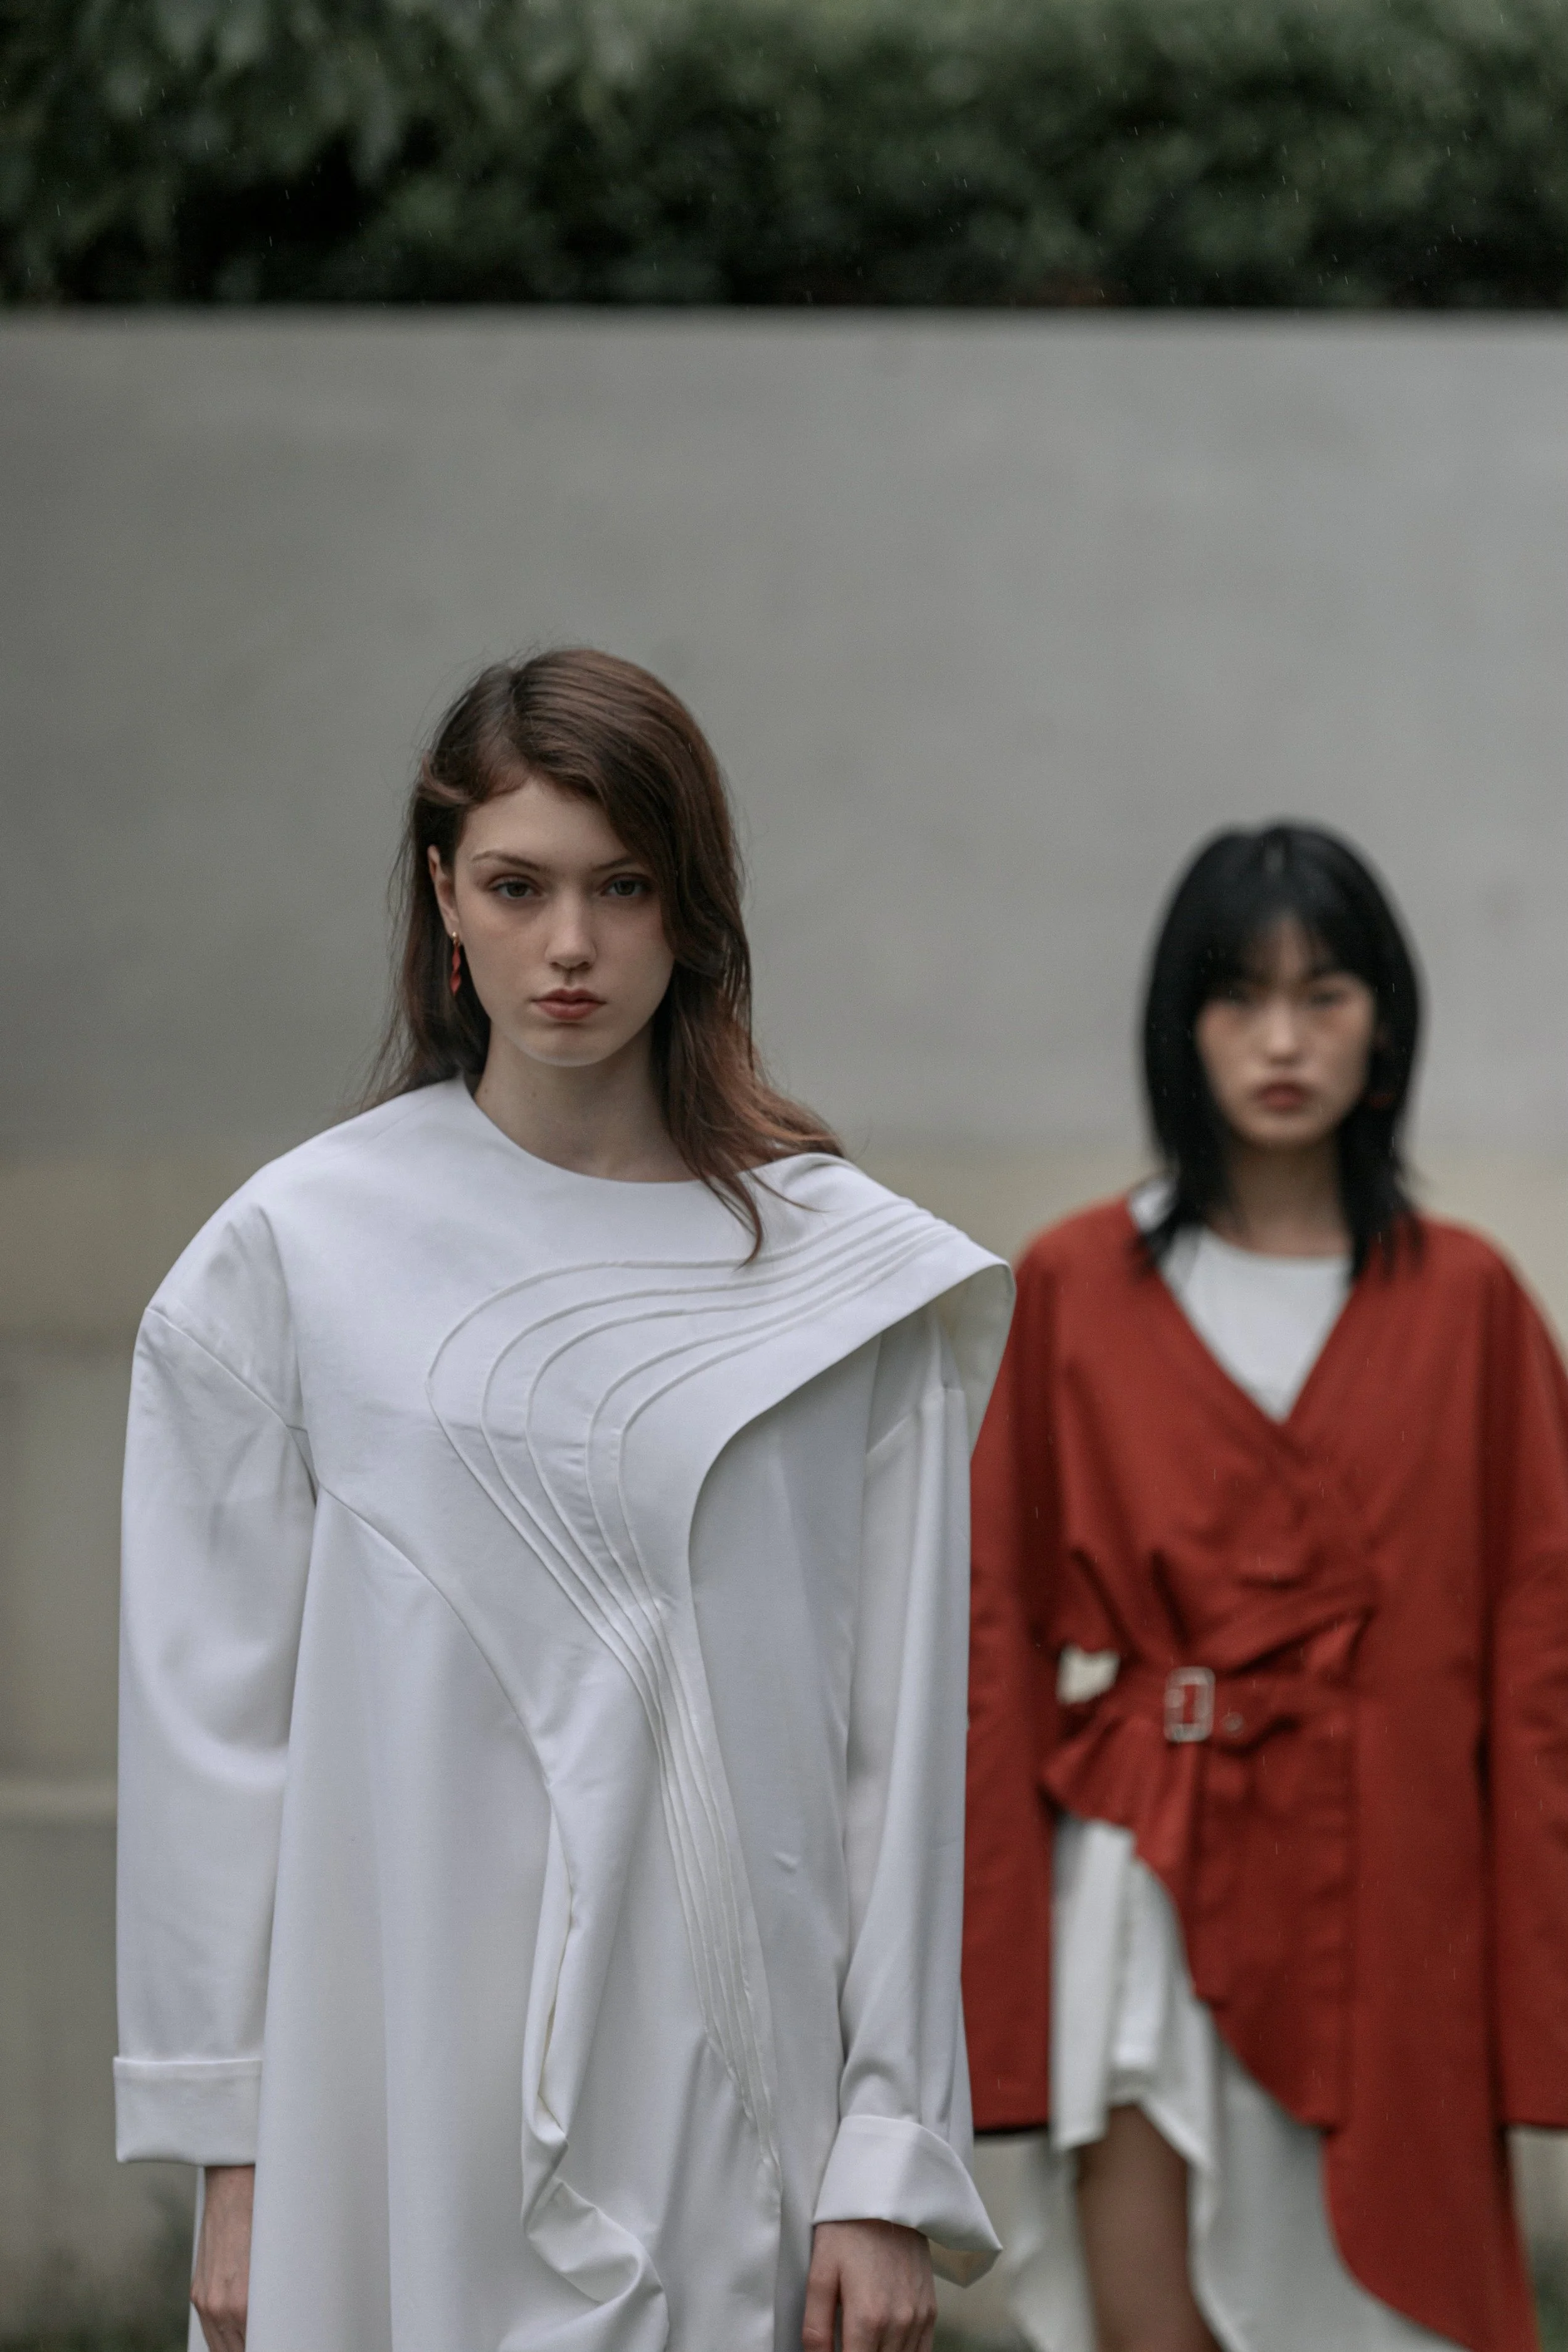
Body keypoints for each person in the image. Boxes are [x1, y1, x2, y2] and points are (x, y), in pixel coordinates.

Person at [115, 649, 1012, 2352]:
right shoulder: (291, 1259)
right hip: (377, 2087)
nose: (572, 945)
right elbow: (210, 1734)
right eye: (518, 887)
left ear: (693, 908)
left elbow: (899, 1749)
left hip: (729, 2094)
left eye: (622, 885)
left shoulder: (842, 1284)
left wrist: (882, 2157)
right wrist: (233, 2154)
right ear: (443, 898)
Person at [961, 824, 1568, 2352]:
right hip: (1148, 1871)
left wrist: (1535, 1987)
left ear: (1386, 1021)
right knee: (1145, 2326)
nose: (1282, 1039)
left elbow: (1538, 1669)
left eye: (1324, 992)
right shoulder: (1074, 1287)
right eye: (1237, 996)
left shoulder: (1473, 1306)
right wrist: (974, 1980)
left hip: (1396, 1888)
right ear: (1179, 1024)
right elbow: (988, 1637)